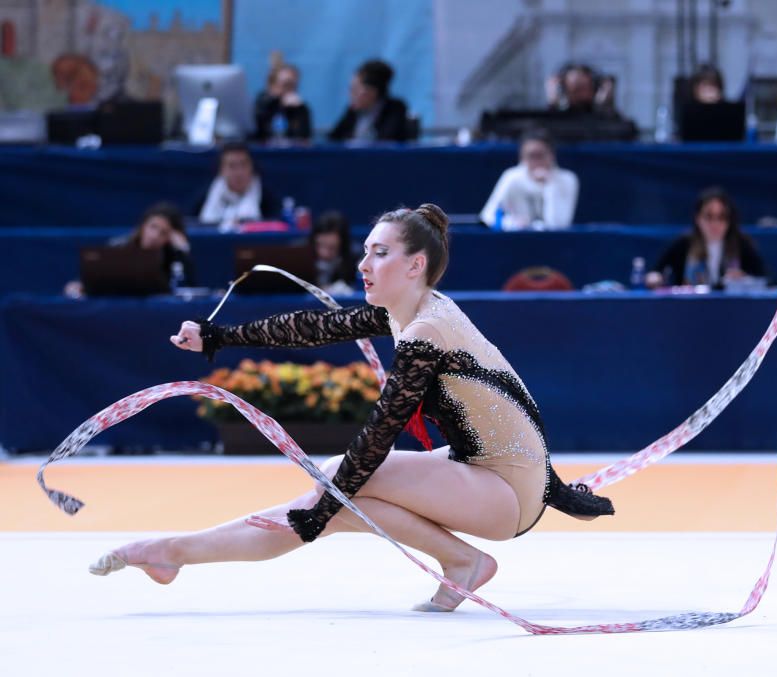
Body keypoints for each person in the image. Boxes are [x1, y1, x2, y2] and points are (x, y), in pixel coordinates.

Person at [89, 203, 613, 611]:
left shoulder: (429, 329)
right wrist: (217, 336)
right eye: (365, 251)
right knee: (338, 500)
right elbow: (313, 328)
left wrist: (317, 510)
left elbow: (382, 430)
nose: (362, 264)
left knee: (336, 487)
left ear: (416, 265)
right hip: (488, 472)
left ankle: (174, 552)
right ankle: (173, 551)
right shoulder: (408, 312)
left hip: (505, 491)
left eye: (378, 254)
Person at [64, 201, 195, 297]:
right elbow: (93, 278)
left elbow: (189, 288)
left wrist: (182, 250)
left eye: (163, 233)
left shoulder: (174, 257)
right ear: (143, 226)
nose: (154, 236)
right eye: (153, 227)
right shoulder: (119, 247)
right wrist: (78, 286)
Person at [646, 187, 766, 289]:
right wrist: (655, 278)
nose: (715, 224)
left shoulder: (741, 244)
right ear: (698, 218)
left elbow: (767, 279)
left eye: (721, 217)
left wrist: (746, 279)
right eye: (709, 216)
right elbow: (656, 273)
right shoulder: (683, 244)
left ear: (730, 220)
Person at [478, 129, 579, 230]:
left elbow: (557, 225)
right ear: (522, 157)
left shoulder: (568, 179)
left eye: (540, 155)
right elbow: (487, 216)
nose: (536, 161)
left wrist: (550, 185)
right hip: (517, 241)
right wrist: (511, 223)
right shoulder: (511, 177)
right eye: (530, 156)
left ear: (552, 155)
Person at [193, 142, 280, 227]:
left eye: (243, 165)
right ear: (221, 170)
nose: (239, 172)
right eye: (232, 166)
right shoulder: (206, 196)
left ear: (252, 167)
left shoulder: (267, 199)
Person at [328, 59, 410, 143]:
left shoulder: (395, 108)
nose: (350, 95)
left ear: (372, 91)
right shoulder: (352, 111)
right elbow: (333, 139)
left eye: (354, 89)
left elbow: (386, 141)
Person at [253, 61, 313, 142]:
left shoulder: (300, 108)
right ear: (272, 86)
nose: (291, 90)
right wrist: (275, 102)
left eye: (294, 85)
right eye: (286, 85)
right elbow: (257, 133)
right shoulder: (262, 105)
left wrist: (299, 111)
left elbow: (304, 139)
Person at [310, 210, 357, 294]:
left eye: (332, 248)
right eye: (319, 244)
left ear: (342, 245)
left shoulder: (355, 258)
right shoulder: (297, 254)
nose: (324, 253)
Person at [545, 63, 616, 114]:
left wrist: (606, 104)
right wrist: (553, 104)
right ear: (563, 89)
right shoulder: (553, 120)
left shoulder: (608, 121)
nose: (580, 94)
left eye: (584, 88)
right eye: (576, 89)